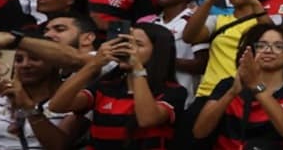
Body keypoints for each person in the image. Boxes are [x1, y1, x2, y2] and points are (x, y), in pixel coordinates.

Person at [47, 23, 186, 149]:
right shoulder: (105, 86)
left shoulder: (173, 91)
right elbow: (57, 106)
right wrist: (95, 63)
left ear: (157, 52)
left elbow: (147, 119)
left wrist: (137, 69)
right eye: (126, 43)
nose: (127, 49)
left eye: (137, 44)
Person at [193, 23, 283, 148]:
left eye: (278, 46)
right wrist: (232, 93)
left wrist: (256, 86)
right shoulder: (228, 84)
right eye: (261, 45)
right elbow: (200, 132)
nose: (268, 50)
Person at [183, 0, 273, 107]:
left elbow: (274, 40)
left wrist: (253, 1)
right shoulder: (218, 20)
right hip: (209, 95)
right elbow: (189, 37)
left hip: (246, 98)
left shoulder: (265, 21)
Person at [139, 0, 209, 103]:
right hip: (147, 98)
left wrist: (162, 60)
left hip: (183, 101)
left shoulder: (195, 22)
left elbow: (202, 64)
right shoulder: (147, 23)